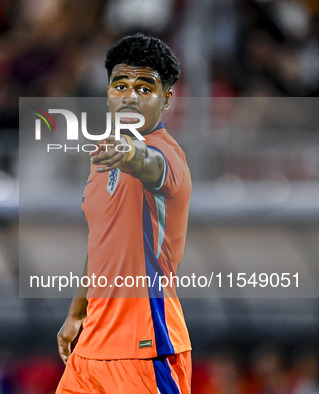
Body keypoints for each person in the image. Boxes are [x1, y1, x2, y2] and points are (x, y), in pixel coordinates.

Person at [55, 33, 192, 393]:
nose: (130, 95)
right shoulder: (102, 155)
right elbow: (102, 241)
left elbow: (148, 162)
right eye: (120, 84)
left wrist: (130, 154)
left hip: (145, 350)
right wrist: (77, 312)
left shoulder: (168, 155)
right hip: (89, 351)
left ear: (166, 99)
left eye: (145, 88)